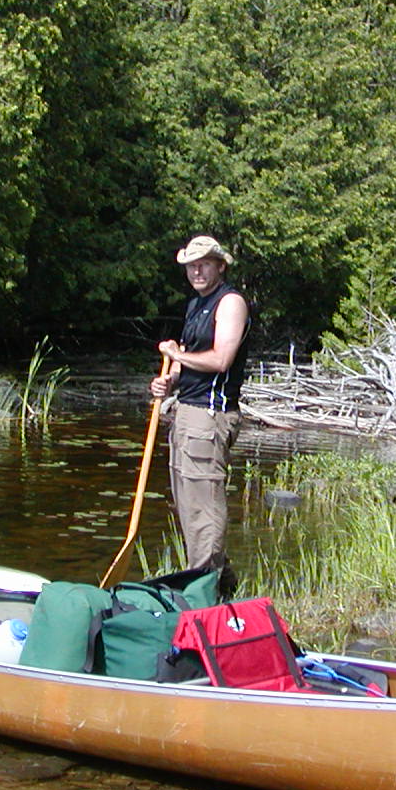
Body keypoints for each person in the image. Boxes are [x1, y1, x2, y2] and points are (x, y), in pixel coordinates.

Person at [149, 235, 251, 572]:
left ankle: (204, 587)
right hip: (187, 412)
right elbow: (188, 357)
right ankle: (214, 580)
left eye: (204, 263)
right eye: (192, 265)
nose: (197, 270)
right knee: (188, 505)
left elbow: (221, 359)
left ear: (220, 266)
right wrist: (170, 378)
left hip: (211, 416)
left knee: (204, 507)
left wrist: (177, 354)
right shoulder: (196, 304)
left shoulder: (230, 302)